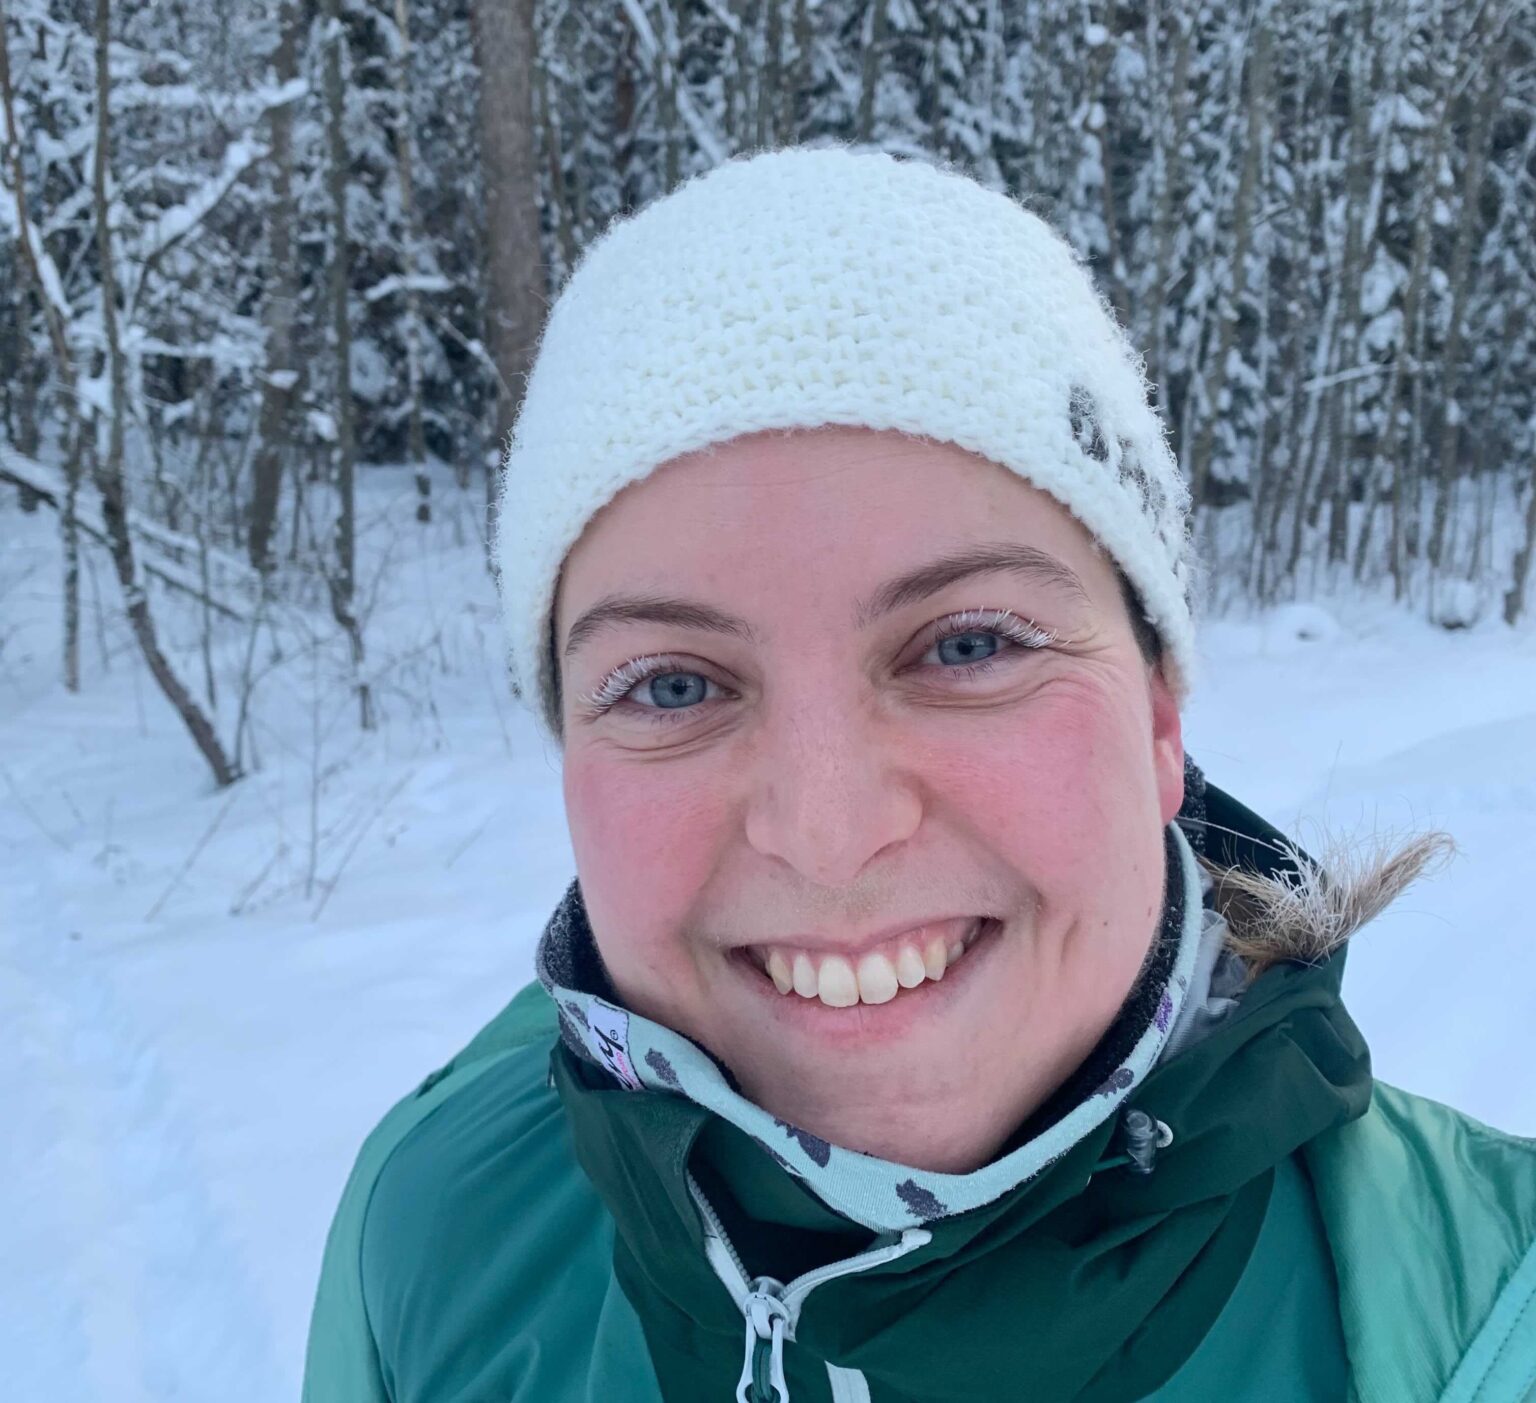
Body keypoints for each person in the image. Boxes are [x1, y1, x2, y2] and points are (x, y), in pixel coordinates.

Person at [301, 145, 1536, 1402]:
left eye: (969, 644)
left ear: (1161, 718)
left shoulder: (1488, 1318)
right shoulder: (439, 1223)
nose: (830, 835)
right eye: (674, 685)